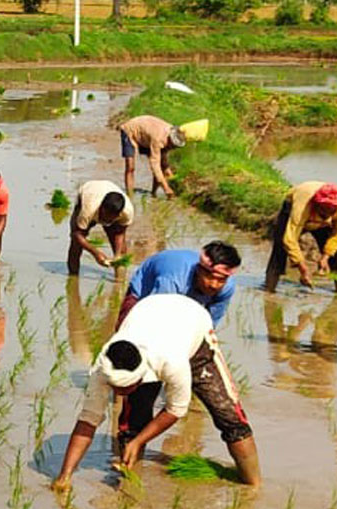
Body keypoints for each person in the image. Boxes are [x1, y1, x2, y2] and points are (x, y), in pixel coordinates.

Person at [51, 293, 261, 492]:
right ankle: (130, 487)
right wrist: (64, 476)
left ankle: (253, 488)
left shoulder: (171, 361)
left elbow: (176, 409)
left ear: (140, 377)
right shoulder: (102, 368)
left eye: (126, 389)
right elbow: (88, 420)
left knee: (230, 417)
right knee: (132, 426)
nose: (120, 394)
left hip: (194, 327)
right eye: (116, 389)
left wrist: (140, 441)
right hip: (148, 314)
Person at [121, 243, 239, 327]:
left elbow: (210, 323)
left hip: (188, 298)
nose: (214, 285)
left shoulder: (227, 287)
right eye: (210, 277)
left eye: (221, 280)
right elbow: (157, 316)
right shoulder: (173, 280)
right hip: (145, 293)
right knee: (128, 335)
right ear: (199, 270)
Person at [265, 181, 337, 292]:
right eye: (324, 210)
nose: (327, 214)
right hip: (295, 210)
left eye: (331, 211)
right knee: (280, 248)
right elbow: (290, 238)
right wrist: (303, 269)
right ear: (316, 204)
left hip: (322, 223)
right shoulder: (303, 205)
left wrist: (326, 257)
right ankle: (269, 289)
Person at [68, 180, 133, 274]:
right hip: (89, 191)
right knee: (76, 245)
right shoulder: (88, 209)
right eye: (105, 217)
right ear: (101, 208)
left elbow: (120, 234)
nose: (106, 221)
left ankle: (120, 279)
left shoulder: (127, 212)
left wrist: (118, 254)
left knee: (121, 251)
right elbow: (76, 235)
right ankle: (73, 276)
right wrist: (95, 252)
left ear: (118, 215)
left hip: (108, 188)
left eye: (111, 219)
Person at [118, 115, 186, 198]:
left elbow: (164, 164)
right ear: (170, 141)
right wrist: (166, 188)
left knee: (162, 165)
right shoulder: (158, 139)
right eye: (172, 146)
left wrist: (170, 176)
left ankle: (153, 194)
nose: (172, 149)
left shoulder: (173, 133)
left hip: (145, 135)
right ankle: (130, 195)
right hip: (130, 131)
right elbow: (155, 165)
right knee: (130, 166)